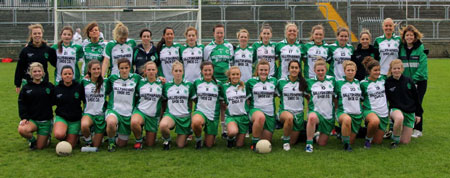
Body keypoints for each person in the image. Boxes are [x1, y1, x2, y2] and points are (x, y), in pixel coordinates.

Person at [104, 58, 141, 152]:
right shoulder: (112, 78)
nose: (124, 70)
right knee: (111, 123)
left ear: (130, 68)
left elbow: (147, 82)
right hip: (114, 110)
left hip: (128, 113)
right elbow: (103, 87)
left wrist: (160, 79)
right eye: (122, 68)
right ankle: (111, 142)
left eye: (126, 68)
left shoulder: (136, 78)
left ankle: (115, 134)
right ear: (118, 68)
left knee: (121, 144)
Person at [204, 24, 234, 138]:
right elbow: (206, 64)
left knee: (224, 104)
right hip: (214, 80)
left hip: (226, 80)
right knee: (213, 104)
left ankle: (224, 129)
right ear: (214, 34)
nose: (220, 35)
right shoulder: (208, 48)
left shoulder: (229, 46)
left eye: (221, 33)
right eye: (218, 33)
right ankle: (212, 130)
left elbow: (231, 62)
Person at [385, 59, 422, 148]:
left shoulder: (409, 81)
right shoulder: (388, 82)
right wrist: (387, 112)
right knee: (399, 118)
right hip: (396, 109)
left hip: (409, 111)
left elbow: (416, 98)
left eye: (398, 68)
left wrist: (418, 114)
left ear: (402, 69)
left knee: (405, 142)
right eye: (394, 68)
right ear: (391, 70)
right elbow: (385, 99)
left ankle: (394, 132)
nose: (396, 70)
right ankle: (395, 142)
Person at [399, 25, 428, 138]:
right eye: (407, 35)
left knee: (417, 103)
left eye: (411, 35)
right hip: (406, 81)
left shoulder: (420, 47)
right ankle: (407, 127)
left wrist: (413, 80)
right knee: (406, 103)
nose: (409, 37)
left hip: (419, 81)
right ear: (404, 37)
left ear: (415, 36)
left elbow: (422, 66)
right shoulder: (401, 48)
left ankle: (418, 129)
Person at [18, 63, 54, 150]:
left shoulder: (49, 86)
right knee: (22, 129)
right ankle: (32, 140)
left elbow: (58, 99)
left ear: (43, 73)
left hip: (45, 120)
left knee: (40, 147)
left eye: (39, 71)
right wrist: (24, 118)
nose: (37, 73)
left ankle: (47, 136)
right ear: (31, 73)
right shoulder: (26, 87)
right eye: (34, 71)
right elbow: (21, 103)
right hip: (33, 120)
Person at [159, 61, 195, 150]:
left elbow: (191, 103)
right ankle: (167, 140)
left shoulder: (189, 85)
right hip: (171, 115)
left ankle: (186, 132)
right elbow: (163, 102)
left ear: (183, 72)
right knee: (163, 125)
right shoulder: (167, 85)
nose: (178, 73)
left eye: (180, 71)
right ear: (172, 72)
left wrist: (191, 119)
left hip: (184, 117)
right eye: (176, 71)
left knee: (180, 145)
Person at [130, 61, 164, 149]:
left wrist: (161, 116)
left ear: (156, 71)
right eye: (149, 70)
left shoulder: (162, 84)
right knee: (134, 122)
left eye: (153, 69)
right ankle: (139, 140)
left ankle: (146, 135)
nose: (151, 72)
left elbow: (165, 100)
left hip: (153, 116)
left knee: (150, 144)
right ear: (145, 71)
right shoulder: (140, 82)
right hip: (141, 111)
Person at [14, 24, 56, 93]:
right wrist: (17, 84)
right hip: (28, 82)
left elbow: (56, 63)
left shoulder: (48, 50)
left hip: (43, 82)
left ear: (42, 34)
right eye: (35, 33)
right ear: (31, 35)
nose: (37, 35)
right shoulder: (25, 50)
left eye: (39, 33)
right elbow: (19, 67)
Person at [304, 58, 335, 153]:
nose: (320, 72)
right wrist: (310, 109)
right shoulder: (309, 82)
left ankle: (316, 135)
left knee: (322, 143)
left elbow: (336, 97)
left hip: (328, 115)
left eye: (322, 70)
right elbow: (306, 95)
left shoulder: (332, 80)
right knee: (312, 118)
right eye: (318, 70)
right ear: (314, 71)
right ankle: (309, 144)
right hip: (316, 112)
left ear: (326, 70)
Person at [246, 59, 278, 151]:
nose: (263, 72)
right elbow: (247, 99)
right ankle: (254, 144)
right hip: (255, 110)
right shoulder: (251, 82)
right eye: (261, 70)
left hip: (270, 114)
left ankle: (257, 132)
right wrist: (248, 113)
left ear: (269, 71)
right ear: (257, 71)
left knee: (266, 141)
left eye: (265, 70)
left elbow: (276, 94)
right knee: (260, 117)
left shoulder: (274, 81)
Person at [276, 60, 307, 151]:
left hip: (299, 114)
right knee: (289, 118)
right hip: (285, 112)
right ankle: (285, 142)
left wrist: (309, 110)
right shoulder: (281, 82)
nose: (294, 70)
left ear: (299, 70)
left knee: (293, 142)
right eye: (292, 67)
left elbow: (308, 97)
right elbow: (275, 95)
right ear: (288, 69)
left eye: (296, 68)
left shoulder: (303, 83)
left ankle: (304, 132)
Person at [53, 66, 85, 148]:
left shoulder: (79, 87)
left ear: (73, 75)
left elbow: (85, 101)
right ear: (61, 76)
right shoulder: (56, 89)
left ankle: (75, 136)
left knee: (70, 146)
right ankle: (63, 132)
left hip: (75, 119)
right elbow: (50, 103)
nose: (67, 76)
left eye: (69, 74)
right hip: (62, 117)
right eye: (65, 74)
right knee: (59, 135)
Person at [191, 61, 222, 149]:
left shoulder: (219, 84)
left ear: (213, 71)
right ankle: (198, 139)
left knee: (209, 145)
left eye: (209, 70)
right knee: (196, 122)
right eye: (205, 70)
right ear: (201, 71)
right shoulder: (197, 82)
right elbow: (194, 98)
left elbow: (223, 100)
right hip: (201, 111)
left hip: (213, 115)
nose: (208, 73)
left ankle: (211, 135)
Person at [334, 61, 363, 151]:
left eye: (352, 70)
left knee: (352, 140)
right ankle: (346, 146)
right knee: (347, 120)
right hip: (343, 112)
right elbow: (334, 97)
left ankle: (341, 133)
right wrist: (336, 109)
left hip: (357, 114)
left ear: (355, 71)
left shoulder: (358, 83)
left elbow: (361, 99)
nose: (350, 72)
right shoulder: (339, 83)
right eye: (348, 70)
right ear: (344, 71)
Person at [360, 56, 388, 146]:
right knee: (374, 121)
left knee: (377, 142)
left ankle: (364, 132)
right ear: (369, 71)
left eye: (379, 70)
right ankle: (367, 140)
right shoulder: (363, 83)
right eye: (375, 70)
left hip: (383, 113)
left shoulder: (383, 80)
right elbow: (359, 99)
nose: (377, 72)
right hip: (370, 110)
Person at [80, 60, 107, 148]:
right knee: (84, 125)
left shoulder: (106, 82)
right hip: (89, 113)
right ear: (89, 70)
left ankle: (99, 134)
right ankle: (88, 141)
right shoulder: (84, 82)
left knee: (96, 145)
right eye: (94, 69)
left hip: (100, 115)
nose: (96, 71)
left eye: (98, 69)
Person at [222, 66, 249, 148]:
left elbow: (248, 101)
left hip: (243, 117)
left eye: (237, 74)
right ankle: (230, 139)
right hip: (231, 117)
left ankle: (236, 137)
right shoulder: (224, 87)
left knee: (239, 145)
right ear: (229, 76)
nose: (235, 76)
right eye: (233, 74)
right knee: (233, 132)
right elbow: (222, 102)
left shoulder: (245, 86)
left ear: (240, 75)